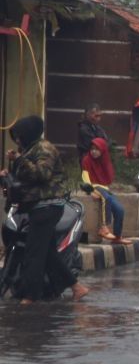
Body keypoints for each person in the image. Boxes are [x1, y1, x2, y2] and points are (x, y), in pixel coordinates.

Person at [1, 116, 88, 304]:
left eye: (19, 136)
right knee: (47, 252)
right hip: (33, 207)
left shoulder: (44, 149)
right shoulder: (28, 149)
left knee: (34, 253)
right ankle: (77, 287)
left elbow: (41, 174)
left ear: (29, 133)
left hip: (47, 206)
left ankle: (30, 297)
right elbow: (24, 177)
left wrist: (20, 159)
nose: (17, 140)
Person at [81, 137, 131, 245]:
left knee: (120, 209)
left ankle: (117, 237)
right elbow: (85, 177)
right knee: (106, 198)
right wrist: (91, 191)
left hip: (104, 188)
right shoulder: (86, 160)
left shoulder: (104, 160)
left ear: (102, 150)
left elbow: (108, 178)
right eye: (92, 149)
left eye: (97, 149)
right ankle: (104, 227)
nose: (94, 151)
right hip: (93, 186)